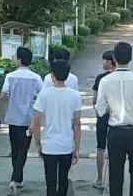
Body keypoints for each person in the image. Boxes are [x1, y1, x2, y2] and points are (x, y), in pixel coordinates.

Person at [95, 41, 133, 196]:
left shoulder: (105, 81)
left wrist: (110, 107)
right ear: (131, 58)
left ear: (114, 58)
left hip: (115, 133)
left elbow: (100, 111)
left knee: (115, 173)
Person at [0, 46, 44, 196]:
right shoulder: (36, 78)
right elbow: (43, 97)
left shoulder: (10, 76)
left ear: (20, 59)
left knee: (15, 150)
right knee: (23, 150)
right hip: (28, 121)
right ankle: (16, 179)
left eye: (16, 57)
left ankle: (16, 179)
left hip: (13, 119)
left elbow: (2, 97)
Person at [32, 59, 83, 196]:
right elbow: (77, 124)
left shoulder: (44, 94)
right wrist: (77, 148)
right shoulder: (75, 95)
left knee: (50, 183)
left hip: (49, 145)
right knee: (63, 180)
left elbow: (36, 122)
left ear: (52, 75)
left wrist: (37, 144)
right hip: (67, 145)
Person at [92, 50, 116, 189]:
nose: (102, 63)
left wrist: (97, 110)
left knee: (100, 147)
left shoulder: (100, 78)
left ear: (109, 62)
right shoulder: (120, 78)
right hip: (117, 117)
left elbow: (95, 100)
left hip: (102, 116)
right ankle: (114, 179)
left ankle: (100, 179)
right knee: (115, 149)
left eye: (104, 60)